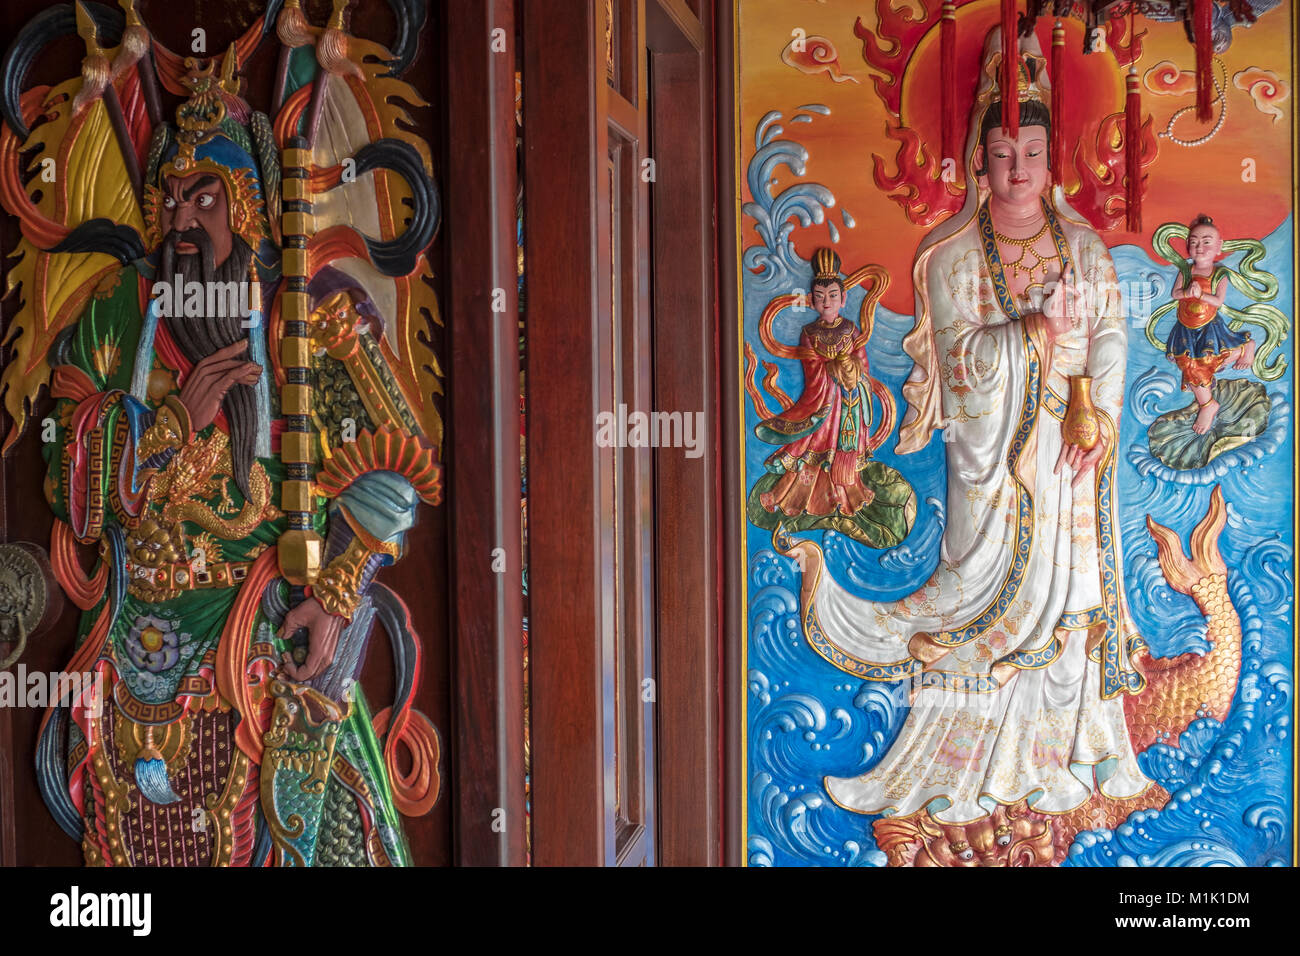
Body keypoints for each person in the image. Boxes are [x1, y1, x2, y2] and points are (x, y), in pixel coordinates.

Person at [26, 55, 437, 866]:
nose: (182, 217)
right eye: (171, 198)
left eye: (204, 196)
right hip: (130, 656)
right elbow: (61, 469)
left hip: (262, 652)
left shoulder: (305, 318)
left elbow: (395, 467)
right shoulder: (118, 315)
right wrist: (171, 422)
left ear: (246, 206)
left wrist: (336, 592)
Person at [788, 26, 1153, 826]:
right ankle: (972, 768)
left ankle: (1072, 757)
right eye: (1001, 155)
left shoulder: (1084, 248)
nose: (1017, 170)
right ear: (978, 162)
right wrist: (1035, 334)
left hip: (1074, 453)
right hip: (993, 468)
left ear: (1049, 159)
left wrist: (1101, 419)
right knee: (989, 611)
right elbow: (961, 371)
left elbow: (1116, 334)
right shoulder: (953, 259)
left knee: (1071, 606)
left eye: (1030, 153)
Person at [757, 249, 878, 517]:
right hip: (826, 401)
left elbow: (863, 363)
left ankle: (847, 494)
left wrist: (854, 372)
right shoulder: (809, 333)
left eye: (833, 296)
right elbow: (812, 371)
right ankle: (803, 498)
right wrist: (833, 370)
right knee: (817, 448)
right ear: (812, 301)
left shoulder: (850, 330)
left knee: (844, 450)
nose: (827, 302)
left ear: (843, 298)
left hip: (850, 400)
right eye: (821, 297)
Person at [1166, 214, 1257, 433]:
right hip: (1185, 328)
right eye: (1194, 242)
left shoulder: (1219, 273)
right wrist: (1187, 292)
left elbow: (1218, 300)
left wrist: (1200, 296)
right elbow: (1175, 293)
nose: (1199, 246)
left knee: (1197, 367)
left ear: (1219, 246)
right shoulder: (1186, 270)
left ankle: (1208, 405)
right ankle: (1243, 348)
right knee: (1188, 364)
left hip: (1208, 327)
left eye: (1206, 242)